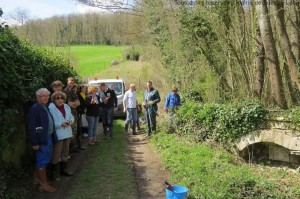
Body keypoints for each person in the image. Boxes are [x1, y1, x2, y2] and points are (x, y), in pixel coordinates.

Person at [28, 88, 57, 192]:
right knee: (42, 161)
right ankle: (44, 185)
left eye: (47, 96)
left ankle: (38, 181)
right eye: (43, 96)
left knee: (44, 160)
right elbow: (32, 127)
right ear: (38, 97)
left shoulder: (45, 107)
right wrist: (35, 142)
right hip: (41, 139)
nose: (46, 98)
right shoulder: (35, 108)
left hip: (48, 138)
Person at [48, 91, 74, 180]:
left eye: (62, 98)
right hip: (58, 134)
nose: (60, 100)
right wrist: (60, 124)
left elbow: (71, 117)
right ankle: (53, 173)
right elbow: (49, 123)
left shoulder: (66, 106)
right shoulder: (50, 108)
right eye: (57, 98)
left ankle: (64, 170)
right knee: (56, 153)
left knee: (65, 152)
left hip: (67, 132)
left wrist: (71, 121)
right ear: (54, 99)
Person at [63, 77, 80, 152]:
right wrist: (74, 104)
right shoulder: (65, 91)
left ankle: (74, 147)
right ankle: (70, 149)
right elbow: (69, 104)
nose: (72, 84)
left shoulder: (73, 91)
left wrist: (74, 104)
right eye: (70, 82)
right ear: (67, 82)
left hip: (74, 113)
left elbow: (78, 103)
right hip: (69, 113)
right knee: (71, 132)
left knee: (75, 131)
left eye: (73, 83)